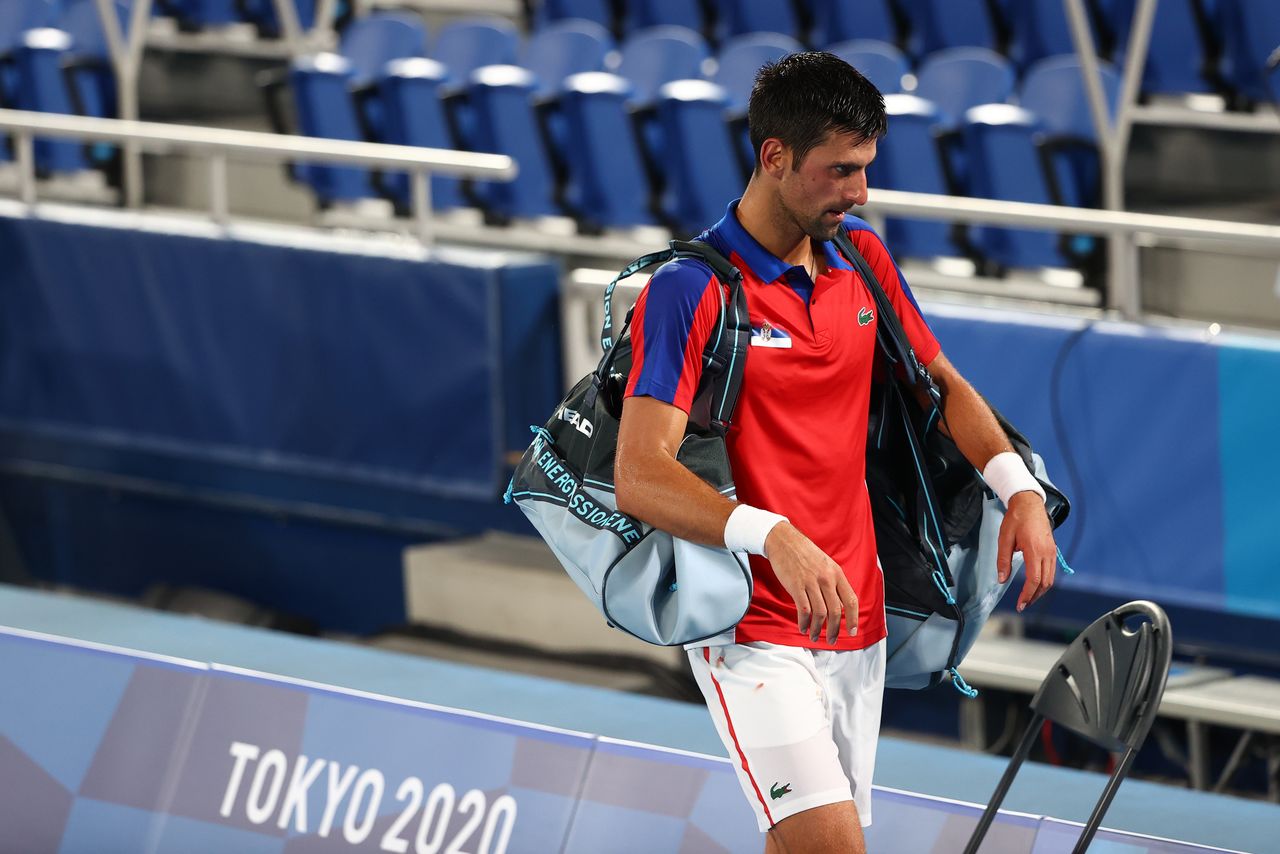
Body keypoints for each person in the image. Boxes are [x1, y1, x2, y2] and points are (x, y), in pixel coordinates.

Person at [613, 52, 1059, 854]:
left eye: (866, 170)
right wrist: (771, 534)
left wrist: (1018, 487)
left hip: (858, 622)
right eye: (841, 171)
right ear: (774, 156)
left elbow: (941, 384)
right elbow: (641, 473)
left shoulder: (861, 256)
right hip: (755, 628)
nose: (859, 193)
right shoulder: (692, 290)